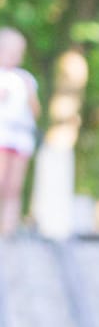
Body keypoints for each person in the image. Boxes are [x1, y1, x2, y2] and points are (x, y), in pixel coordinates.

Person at [0, 27, 40, 236]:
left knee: (14, 185)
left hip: (21, 134)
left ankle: (9, 227)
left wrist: (30, 94)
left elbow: (35, 112)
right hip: (3, 132)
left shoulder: (25, 78)